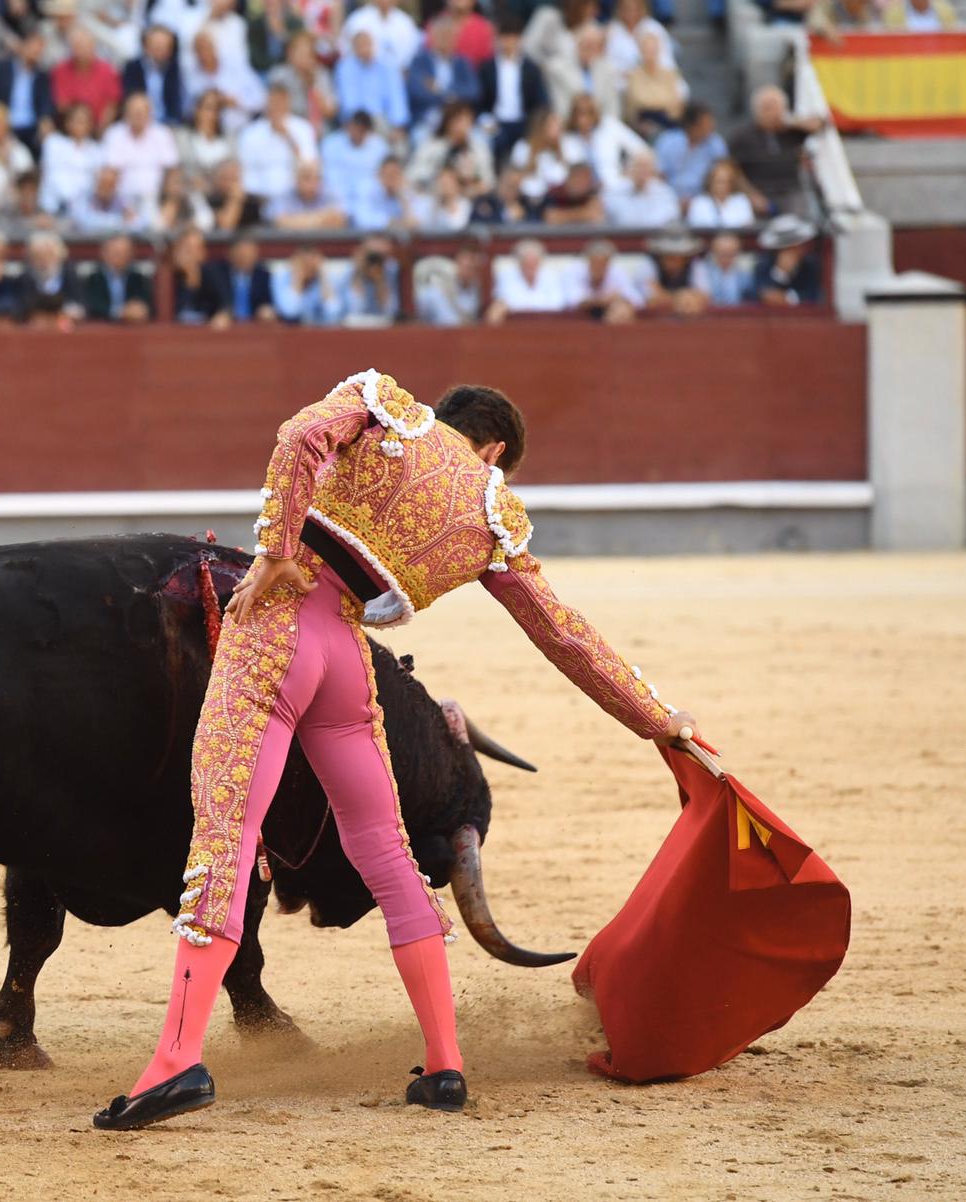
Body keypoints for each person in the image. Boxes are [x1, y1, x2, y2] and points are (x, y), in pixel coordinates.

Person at [93, 378, 697, 1130]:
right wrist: (658, 719)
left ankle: (176, 1063)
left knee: (225, 838)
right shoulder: (491, 515)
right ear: (497, 450)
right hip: (348, 660)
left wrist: (278, 551)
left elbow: (297, 439)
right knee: (386, 850)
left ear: (453, 423)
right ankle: (445, 1064)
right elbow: (563, 635)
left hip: (275, 629)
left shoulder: (380, 405)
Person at [728, 86, 822, 218]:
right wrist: (750, 194)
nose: (771, 113)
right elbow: (732, 169)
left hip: (791, 190)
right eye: (766, 108)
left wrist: (789, 121)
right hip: (758, 190)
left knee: (798, 220)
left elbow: (818, 124)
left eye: (776, 107)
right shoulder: (742, 136)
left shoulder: (792, 131)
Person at [477, 18, 547, 165]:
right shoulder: (487, 68)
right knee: (490, 144)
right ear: (498, 39)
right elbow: (479, 100)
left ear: (520, 39)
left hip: (524, 123)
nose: (508, 42)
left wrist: (535, 124)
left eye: (513, 37)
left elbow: (540, 101)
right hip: (495, 122)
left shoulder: (531, 69)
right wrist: (485, 120)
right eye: (505, 37)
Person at [235, 83, 317, 207]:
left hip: (294, 196)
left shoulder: (303, 128)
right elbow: (244, 169)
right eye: (273, 102)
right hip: (258, 196)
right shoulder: (250, 132)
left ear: (288, 102)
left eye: (281, 101)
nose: (277, 106)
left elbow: (308, 166)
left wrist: (288, 137)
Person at [101, 91, 179, 214]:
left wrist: (169, 205)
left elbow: (172, 172)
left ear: (150, 113)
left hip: (155, 199)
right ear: (126, 113)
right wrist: (122, 206)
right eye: (134, 111)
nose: (138, 115)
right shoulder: (114, 133)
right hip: (121, 201)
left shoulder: (162, 134)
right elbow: (110, 172)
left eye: (142, 111)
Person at [0, 29, 55, 151]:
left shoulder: (42, 76)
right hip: (5, 124)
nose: (37, 50)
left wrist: (45, 120)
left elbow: (46, 103)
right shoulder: (2, 67)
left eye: (40, 47)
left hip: (31, 129)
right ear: (23, 45)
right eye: (33, 45)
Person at [561, 92, 649, 193]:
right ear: (573, 116)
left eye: (589, 113)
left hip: (615, 188)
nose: (584, 119)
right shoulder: (566, 138)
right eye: (580, 114)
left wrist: (629, 171)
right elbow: (564, 171)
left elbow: (641, 149)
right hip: (583, 196)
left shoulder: (609, 126)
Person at [406, 15, 480, 135]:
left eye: (449, 35)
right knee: (420, 138)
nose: (445, 39)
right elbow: (417, 92)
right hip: (427, 120)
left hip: (458, 119)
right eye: (441, 35)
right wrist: (452, 97)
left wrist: (440, 89)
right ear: (433, 37)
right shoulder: (419, 61)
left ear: (456, 38)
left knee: (480, 141)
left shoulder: (463, 63)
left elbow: (473, 91)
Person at [333, 30, 409, 132]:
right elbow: (349, 102)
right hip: (357, 122)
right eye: (361, 45)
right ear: (354, 48)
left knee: (399, 143)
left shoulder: (387, 65)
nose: (365, 49)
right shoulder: (345, 68)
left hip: (384, 120)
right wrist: (360, 124)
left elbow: (396, 98)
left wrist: (398, 126)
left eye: (367, 44)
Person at [51, 26, 120, 132]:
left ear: (93, 47)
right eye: (77, 47)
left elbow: (112, 104)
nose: (81, 51)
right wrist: (80, 126)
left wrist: (100, 129)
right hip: (70, 130)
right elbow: (62, 105)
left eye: (85, 46)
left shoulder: (107, 69)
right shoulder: (60, 70)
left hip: (100, 130)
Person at [653, 102, 727, 201]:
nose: (711, 127)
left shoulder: (715, 144)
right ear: (692, 126)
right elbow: (659, 175)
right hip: (669, 198)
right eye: (706, 124)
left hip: (704, 199)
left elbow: (722, 174)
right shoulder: (668, 141)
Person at [318, 109, 388, 209]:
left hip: (369, 199)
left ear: (368, 131)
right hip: (335, 196)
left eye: (362, 130)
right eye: (355, 128)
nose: (357, 133)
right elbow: (326, 174)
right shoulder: (331, 144)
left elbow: (383, 177)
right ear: (348, 126)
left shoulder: (380, 147)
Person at [484, 237, 565, 322]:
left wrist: (526, 306)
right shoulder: (506, 276)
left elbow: (558, 304)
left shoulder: (551, 276)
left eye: (534, 263)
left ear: (540, 262)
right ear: (519, 263)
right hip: (515, 324)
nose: (530, 268)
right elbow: (506, 302)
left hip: (547, 323)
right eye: (527, 264)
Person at [563, 238, 643, 322]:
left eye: (603, 263)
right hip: (579, 321)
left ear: (609, 261)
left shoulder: (617, 272)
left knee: (622, 309)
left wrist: (620, 300)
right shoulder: (573, 271)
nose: (599, 268)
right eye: (595, 263)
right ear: (588, 260)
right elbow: (572, 301)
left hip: (609, 314)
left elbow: (636, 300)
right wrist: (602, 300)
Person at [622, 31, 685, 139]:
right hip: (643, 125)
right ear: (640, 50)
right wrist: (663, 102)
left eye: (653, 49)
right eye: (646, 49)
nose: (650, 53)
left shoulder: (669, 74)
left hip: (668, 123)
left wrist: (652, 102)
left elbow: (676, 104)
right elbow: (638, 100)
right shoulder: (633, 75)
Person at [638, 226, 709, 315]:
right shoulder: (648, 265)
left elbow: (704, 297)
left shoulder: (695, 265)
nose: (671, 260)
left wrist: (666, 296)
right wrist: (683, 297)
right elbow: (651, 300)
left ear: (686, 257)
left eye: (677, 255)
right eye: (667, 255)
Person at [122, 25, 184, 126]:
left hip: (166, 123)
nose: (160, 49)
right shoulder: (133, 67)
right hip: (138, 121)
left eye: (165, 46)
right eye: (156, 44)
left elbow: (175, 103)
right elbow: (130, 97)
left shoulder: (173, 70)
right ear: (146, 46)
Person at [602, 148, 681, 227]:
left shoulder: (665, 193)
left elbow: (671, 221)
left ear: (653, 170)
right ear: (629, 168)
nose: (642, 171)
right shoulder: (613, 192)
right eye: (638, 166)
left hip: (655, 238)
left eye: (646, 166)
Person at [754, 214, 821, 306]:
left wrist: (788, 299)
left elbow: (812, 297)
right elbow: (763, 295)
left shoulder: (810, 266)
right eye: (790, 248)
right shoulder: (763, 266)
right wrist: (781, 272)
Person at [84, 232, 153, 321]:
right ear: (104, 253)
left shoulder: (138, 279)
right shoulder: (92, 278)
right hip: (100, 328)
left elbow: (146, 305)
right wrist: (120, 312)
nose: (121, 256)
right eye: (116, 252)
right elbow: (91, 305)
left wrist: (139, 309)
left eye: (125, 252)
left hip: (132, 329)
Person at [168, 224, 229, 325]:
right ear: (176, 251)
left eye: (195, 249)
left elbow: (226, 305)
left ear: (203, 253)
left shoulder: (213, 275)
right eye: (186, 249)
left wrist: (223, 315)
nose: (190, 254)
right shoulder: (167, 278)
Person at [176, 88, 235, 190]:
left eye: (217, 109)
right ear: (197, 109)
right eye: (208, 108)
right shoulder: (183, 136)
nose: (212, 114)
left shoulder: (229, 138)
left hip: (222, 190)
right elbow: (183, 168)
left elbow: (233, 168)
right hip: (192, 190)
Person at [339, 0, 423, 68]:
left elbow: (412, 54)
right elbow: (345, 48)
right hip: (362, 72)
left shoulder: (406, 23)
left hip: (398, 76)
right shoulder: (358, 20)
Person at [416, 243, 484, 325]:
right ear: (458, 261)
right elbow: (417, 314)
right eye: (468, 262)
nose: (471, 265)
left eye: (474, 265)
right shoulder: (436, 288)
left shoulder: (477, 290)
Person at [272, 244, 342, 325]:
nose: (308, 267)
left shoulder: (326, 278)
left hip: (320, 332)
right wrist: (298, 278)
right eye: (304, 263)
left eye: (311, 262)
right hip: (290, 334)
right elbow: (290, 312)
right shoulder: (281, 278)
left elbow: (334, 314)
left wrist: (323, 276)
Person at [268, 159, 345, 229]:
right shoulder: (284, 196)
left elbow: (338, 221)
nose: (313, 184)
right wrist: (322, 219)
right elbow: (280, 223)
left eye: (318, 178)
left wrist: (296, 221)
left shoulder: (330, 194)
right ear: (296, 179)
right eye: (307, 178)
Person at [340, 235, 401, 324]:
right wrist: (358, 273)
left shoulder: (392, 271)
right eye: (371, 254)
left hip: (383, 329)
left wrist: (380, 281)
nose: (374, 260)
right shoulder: (347, 272)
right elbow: (354, 310)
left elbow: (390, 312)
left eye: (380, 256)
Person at [217, 233, 275, 322]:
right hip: (225, 326)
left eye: (250, 253)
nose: (246, 257)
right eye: (242, 253)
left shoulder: (263, 276)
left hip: (254, 327)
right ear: (231, 253)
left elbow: (267, 302)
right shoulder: (218, 274)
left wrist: (265, 310)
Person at [354, 154, 419, 231]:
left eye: (395, 174)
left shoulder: (405, 191)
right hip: (370, 237)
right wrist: (391, 223)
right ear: (379, 175)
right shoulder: (367, 188)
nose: (392, 179)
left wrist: (402, 197)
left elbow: (415, 222)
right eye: (388, 174)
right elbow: (362, 220)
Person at [686, 158, 755, 229]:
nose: (722, 186)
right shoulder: (699, 202)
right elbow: (694, 231)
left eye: (726, 181)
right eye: (719, 181)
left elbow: (747, 229)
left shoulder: (741, 201)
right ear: (710, 181)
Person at [694, 231, 753, 306]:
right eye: (722, 254)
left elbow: (749, 298)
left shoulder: (745, 271)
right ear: (713, 252)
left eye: (731, 254)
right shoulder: (702, 269)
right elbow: (703, 297)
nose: (726, 258)